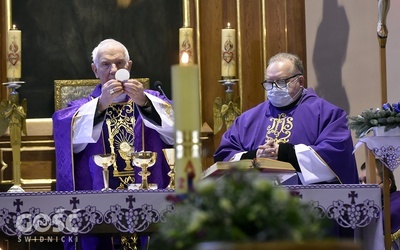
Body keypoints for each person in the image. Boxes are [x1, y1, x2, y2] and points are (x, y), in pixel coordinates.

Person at [52, 39, 174, 250]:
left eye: (119, 63)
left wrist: (144, 103)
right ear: (95, 70)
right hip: (98, 207)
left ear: (129, 66)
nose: (114, 70)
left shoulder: (151, 100)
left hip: (148, 202)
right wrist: (101, 105)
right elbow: (67, 136)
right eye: (106, 64)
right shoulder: (82, 109)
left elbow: (177, 130)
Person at [214, 52, 359, 185]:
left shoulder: (327, 114)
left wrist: (284, 153)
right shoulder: (247, 119)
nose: (274, 88)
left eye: (281, 82)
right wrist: (256, 155)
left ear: (300, 81)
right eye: (269, 83)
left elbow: (336, 154)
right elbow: (225, 155)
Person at [360, 160, 400, 249]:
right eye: (361, 181)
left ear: (387, 183)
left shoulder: (397, 206)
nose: (362, 186)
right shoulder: (369, 207)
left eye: (367, 180)